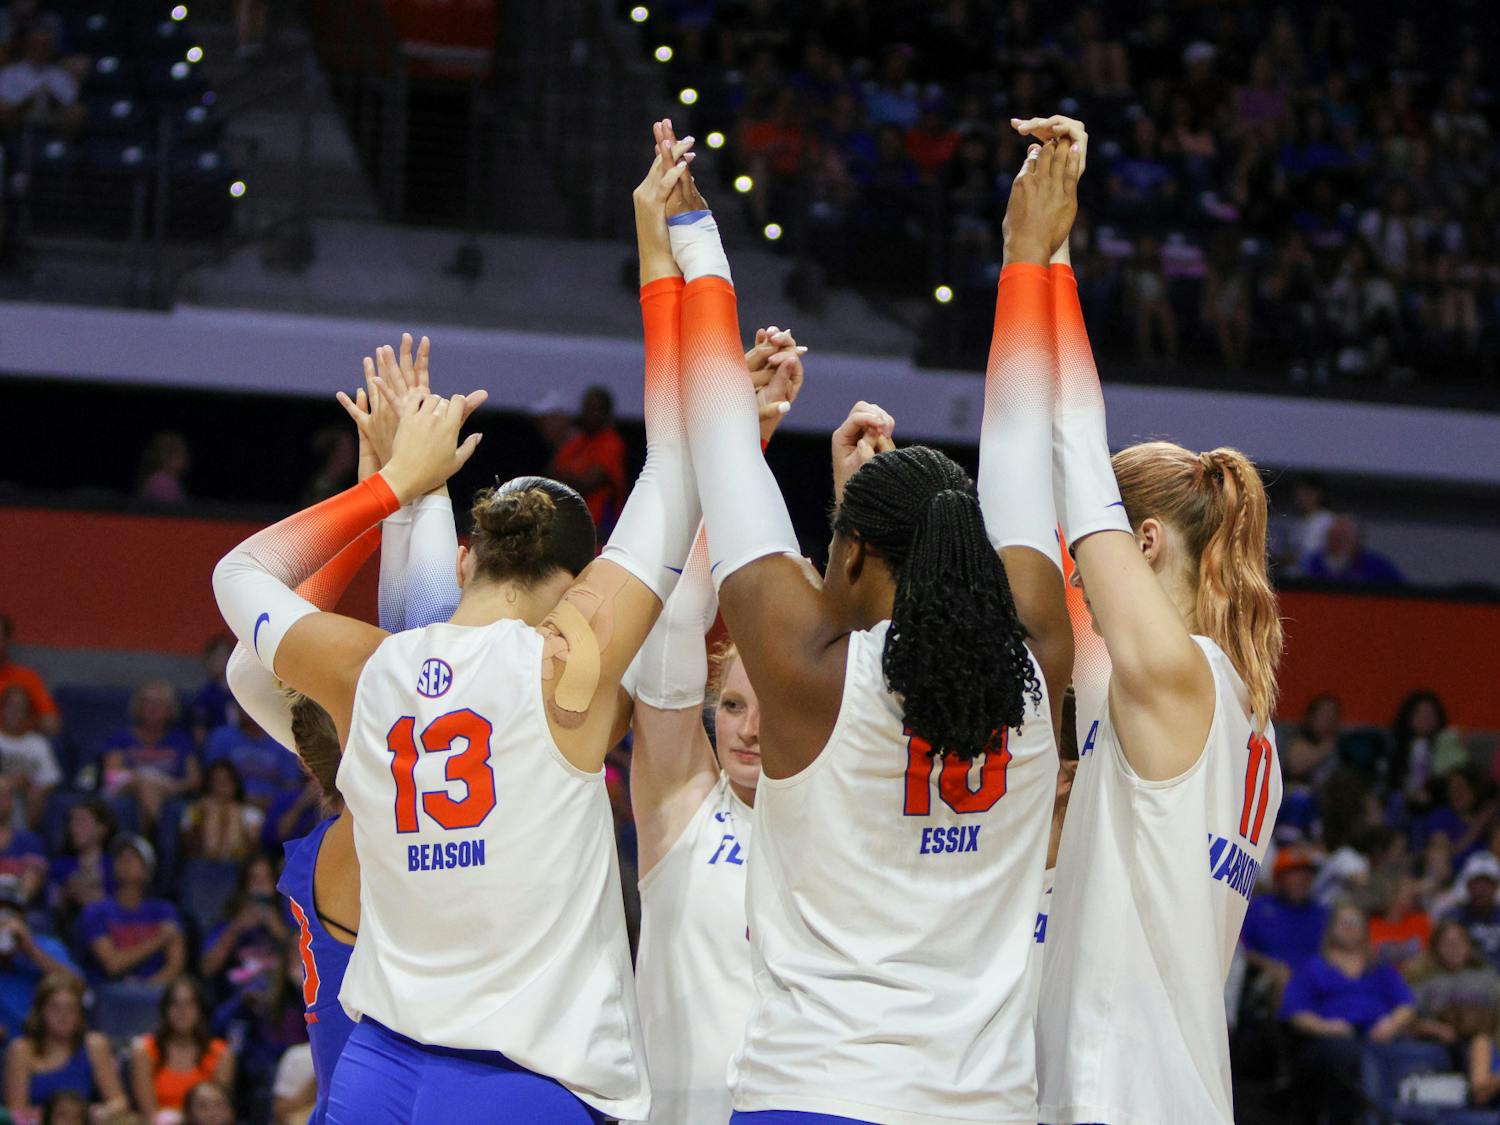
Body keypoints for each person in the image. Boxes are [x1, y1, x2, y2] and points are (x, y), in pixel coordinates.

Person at [211, 140, 709, 1118]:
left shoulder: (373, 669)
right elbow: (683, 457)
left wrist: (393, 489)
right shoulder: (573, 667)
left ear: (471, 559)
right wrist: (664, 249)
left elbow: (240, 576)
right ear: (577, 584)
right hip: (521, 1080)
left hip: (377, 1071)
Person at [668, 113, 1069, 1123]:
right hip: (983, 1103)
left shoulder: (809, 674)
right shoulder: (1038, 664)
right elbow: (1024, 437)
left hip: (815, 1093)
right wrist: (1034, 250)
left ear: (847, 550)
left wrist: (695, 240)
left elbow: (720, 433)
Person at [1016, 115, 1284, 1125]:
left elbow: (1077, 458)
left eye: (1103, 554)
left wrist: (1050, 257)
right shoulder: (1251, 717)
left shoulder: (1177, 680)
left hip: (1122, 1094)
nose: (1085, 575)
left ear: (1151, 546)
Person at [627, 327, 807, 1125]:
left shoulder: (834, 817)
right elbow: (673, 621)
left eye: (768, 705)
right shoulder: (682, 803)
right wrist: (743, 444)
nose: (748, 729)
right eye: (732, 704)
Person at [1280, 904, 1417, 1123]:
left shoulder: (1378, 966)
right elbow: (1296, 1013)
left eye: (1356, 923)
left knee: (1410, 1053)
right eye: (1345, 923)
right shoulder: (1313, 966)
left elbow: (1407, 1005)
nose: (1351, 928)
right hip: (1331, 1039)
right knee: (1346, 1056)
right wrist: (1326, 1027)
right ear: (1331, 928)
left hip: (1378, 1036)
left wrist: (1391, 1025)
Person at [2, 973, 129, 1123]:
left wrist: (100, 1112)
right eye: (55, 1008)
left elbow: (119, 1102)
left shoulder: (94, 1045)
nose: (63, 1016)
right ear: (40, 1011)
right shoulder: (21, 1050)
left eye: (71, 1008)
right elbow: (16, 1113)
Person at [76, 835, 185, 987]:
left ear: (148, 871)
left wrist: (145, 988)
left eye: (134, 857)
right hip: (108, 992)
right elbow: (112, 965)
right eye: (121, 857)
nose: (125, 860)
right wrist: (159, 939)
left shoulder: (164, 911)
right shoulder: (95, 911)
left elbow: (175, 967)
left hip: (155, 993)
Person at [129, 976, 234, 1121]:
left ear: (200, 1010)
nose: (182, 1011)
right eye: (175, 1004)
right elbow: (149, 1114)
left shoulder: (221, 1053)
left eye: (189, 1004)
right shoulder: (144, 1050)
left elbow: (219, 1113)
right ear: (164, 1010)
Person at [98, 680, 198, 829]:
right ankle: (154, 833)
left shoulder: (180, 740)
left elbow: (194, 780)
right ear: (138, 706)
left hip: (168, 788)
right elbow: (111, 776)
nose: (152, 708)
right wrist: (141, 780)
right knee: (145, 784)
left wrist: (172, 787)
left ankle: (143, 842)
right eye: (147, 702)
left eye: (159, 703)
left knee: (149, 787)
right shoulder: (121, 738)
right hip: (128, 787)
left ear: (170, 710)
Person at [1242, 847, 1329, 1006]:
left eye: (1306, 873)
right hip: (1270, 979)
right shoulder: (1257, 908)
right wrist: (1269, 965)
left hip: (1315, 979)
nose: (1301, 879)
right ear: (1278, 878)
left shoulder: (1321, 913)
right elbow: (1242, 950)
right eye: (1293, 874)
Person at [0, 876, 82, 1040]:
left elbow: (78, 987)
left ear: (22, 915)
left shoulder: (46, 947)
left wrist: (30, 949)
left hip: (43, 1043)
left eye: (11, 911)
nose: (4, 919)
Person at [199, 854, 289, 994]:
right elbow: (206, 969)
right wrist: (234, 930)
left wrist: (279, 931)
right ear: (244, 886)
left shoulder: (289, 920)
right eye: (254, 878)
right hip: (236, 1003)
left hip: (277, 1004)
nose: (260, 885)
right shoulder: (227, 923)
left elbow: (308, 967)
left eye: (266, 879)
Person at [1408, 919, 1500, 1047]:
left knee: (1481, 1042)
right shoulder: (1425, 980)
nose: (1454, 949)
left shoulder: (1487, 977)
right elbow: (1407, 1020)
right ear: (1436, 948)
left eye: (1459, 942)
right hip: (1439, 1045)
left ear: (1468, 946)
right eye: (1447, 944)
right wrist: (1434, 1029)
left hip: (1484, 1042)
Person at [548, 386, 627, 534]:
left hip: (598, 528)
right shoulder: (577, 442)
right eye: (587, 408)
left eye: (595, 409)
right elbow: (551, 473)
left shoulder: (612, 443)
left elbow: (586, 483)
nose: (590, 414)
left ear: (606, 413)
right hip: (571, 523)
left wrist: (565, 477)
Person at [202, 709, 304, 812]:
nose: (248, 710)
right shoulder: (221, 737)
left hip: (274, 809)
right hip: (229, 805)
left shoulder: (282, 741)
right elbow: (211, 781)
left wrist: (271, 804)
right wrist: (241, 799)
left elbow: (291, 786)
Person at [46, 799, 113, 936]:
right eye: (72, 822)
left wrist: (95, 898)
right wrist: (67, 893)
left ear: (102, 829)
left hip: (109, 929)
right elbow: (52, 905)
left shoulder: (114, 866)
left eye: (81, 821)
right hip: (69, 926)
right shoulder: (60, 866)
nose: (73, 827)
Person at [180, 761, 264, 863]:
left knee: (233, 812)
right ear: (209, 784)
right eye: (216, 781)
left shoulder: (251, 813)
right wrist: (201, 816)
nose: (222, 786)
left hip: (240, 867)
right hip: (203, 865)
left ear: (235, 783)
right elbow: (187, 848)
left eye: (226, 780)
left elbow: (255, 850)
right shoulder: (195, 809)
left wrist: (235, 817)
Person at [0, 688, 61, 826]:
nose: (14, 713)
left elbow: (51, 780)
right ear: (2, 710)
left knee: (34, 793)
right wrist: (7, 783)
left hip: (24, 799)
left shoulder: (38, 743)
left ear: (28, 714)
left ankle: (24, 835)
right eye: (10, 707)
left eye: (20, 708)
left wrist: (28, 783)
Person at [1300, 514, 1404, 585]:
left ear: (1357, 540)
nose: (1339, 543)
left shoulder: (1376, 565)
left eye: (1344, 537)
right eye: (1334, 536)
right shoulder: (1313, 563)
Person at [0, 617, 60, 739]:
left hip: (15, 749)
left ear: (7, 641)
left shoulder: (27, 678)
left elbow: (51, 724)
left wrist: (21, 720)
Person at [1443, 852, 1500, 972]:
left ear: (1495, 886)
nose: (1482, 890)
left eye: (1487, 883)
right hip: (1467, 982)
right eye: (1477, 883)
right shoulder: (1453, 917)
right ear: (1468, 885)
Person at [0, 777, 46, 904]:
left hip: (17, 911)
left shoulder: (28, 840)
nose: (2, 799)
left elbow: (32, 882)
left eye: (7, 795)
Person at [137, 432, 192, 504]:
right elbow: (171, 511)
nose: (185, 456)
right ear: (165, 456)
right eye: (180, 453)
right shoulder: (161, 481)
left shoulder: (170, 480)